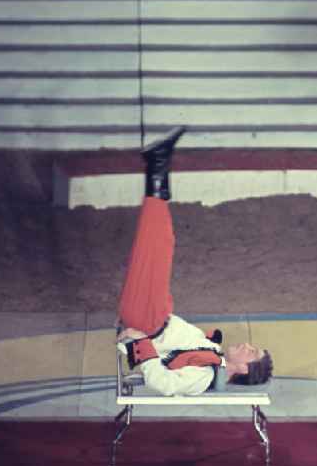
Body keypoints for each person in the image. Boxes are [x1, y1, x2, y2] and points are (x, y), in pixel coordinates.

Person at [116, 126, 273, 397]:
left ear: (244, 369)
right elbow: (187, 348)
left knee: (152, 245)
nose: (248, 345)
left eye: (252, 353)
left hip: (146, 321)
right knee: (162, 242)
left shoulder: (202, 377)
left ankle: (158, 162)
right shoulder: (212, 356)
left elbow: (163, 384)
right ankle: (157, 164)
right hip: (157, 314)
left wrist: (140, 341)